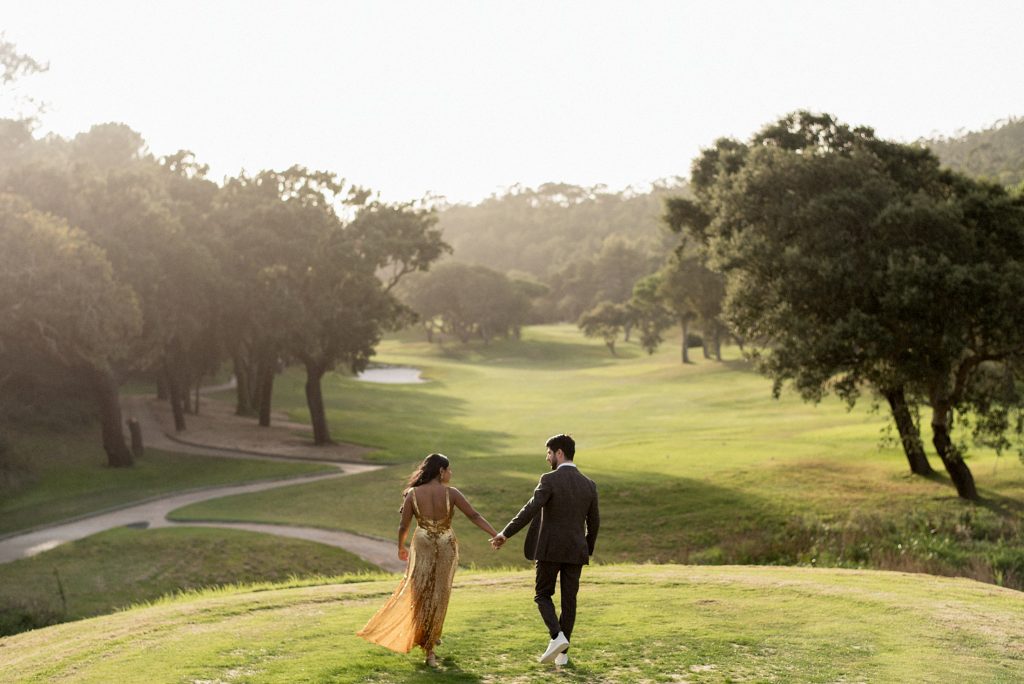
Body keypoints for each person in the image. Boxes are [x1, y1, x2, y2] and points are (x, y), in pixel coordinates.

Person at [357, 453, 499, 667]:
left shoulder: (413, 494)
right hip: (446, 544)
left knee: (420, 591)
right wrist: (495, 534)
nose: (451, 473)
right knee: (439, 593)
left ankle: (429, 641)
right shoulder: (452, 493)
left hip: (423, 543)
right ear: (441, 471)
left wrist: (400, 547)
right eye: (449, 469)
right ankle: (431, 641)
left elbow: (403, 526)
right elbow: (474, 515)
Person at [491, 434, 599, 666]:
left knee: (542, 594)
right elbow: (594, 523)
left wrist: (505, 533)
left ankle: (557, 636)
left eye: (549, 453)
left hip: (549, 549)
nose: (547, 457)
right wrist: (585, 549)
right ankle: (562, 655)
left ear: (559, 453)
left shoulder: (549, 479)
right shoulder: (589, 485)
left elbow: (531, 508)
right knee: (569, 601)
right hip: (576, 551)